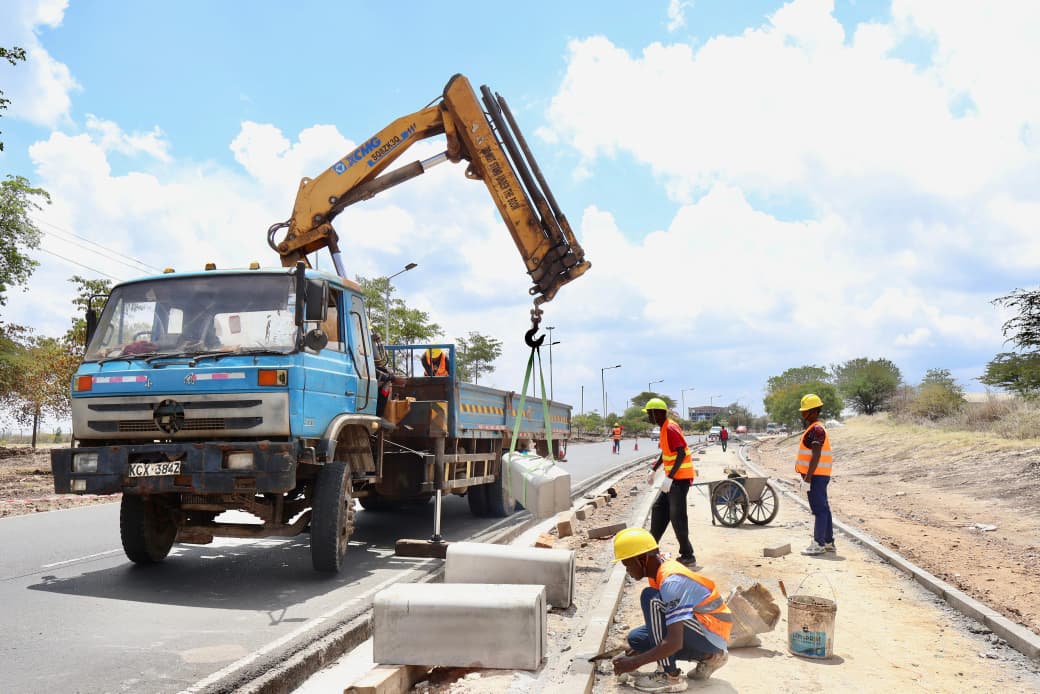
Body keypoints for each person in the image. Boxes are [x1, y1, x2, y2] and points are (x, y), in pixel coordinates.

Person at [611, 528, 731, 692]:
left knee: (651, 599)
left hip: (713, 632)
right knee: (636, 639)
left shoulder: (671, 581)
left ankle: (670, 676)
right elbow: (660, 626)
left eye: (627, 564)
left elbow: (674, 642)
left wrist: (635, 663)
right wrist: (634, 654)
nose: (627, 570)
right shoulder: (658, 567)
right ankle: (710, 657)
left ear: (642, 559)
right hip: (705, 630)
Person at [644, 398, 697, 567]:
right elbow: (666, 453)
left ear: (657, 413)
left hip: (679, 480)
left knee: (677, 517)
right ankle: (651, 550)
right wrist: (654, 469)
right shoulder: (663, 428)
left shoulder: (670, 428)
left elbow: (681, 453)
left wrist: (670, 477)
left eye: (649, 413)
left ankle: (688, 555)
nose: (648, 417)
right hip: (674, 479)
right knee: (659, 509)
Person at [796, 393, 835, 555]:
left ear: (813, 411)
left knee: (819, 509)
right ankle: (828, 542)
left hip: (816, 476)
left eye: (805, 411)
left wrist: (807, 479)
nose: (802, 413)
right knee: (824, 508)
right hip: (819, 475)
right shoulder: (814, 428)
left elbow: (816, 455)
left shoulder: (817, 429)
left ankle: (819, 544)